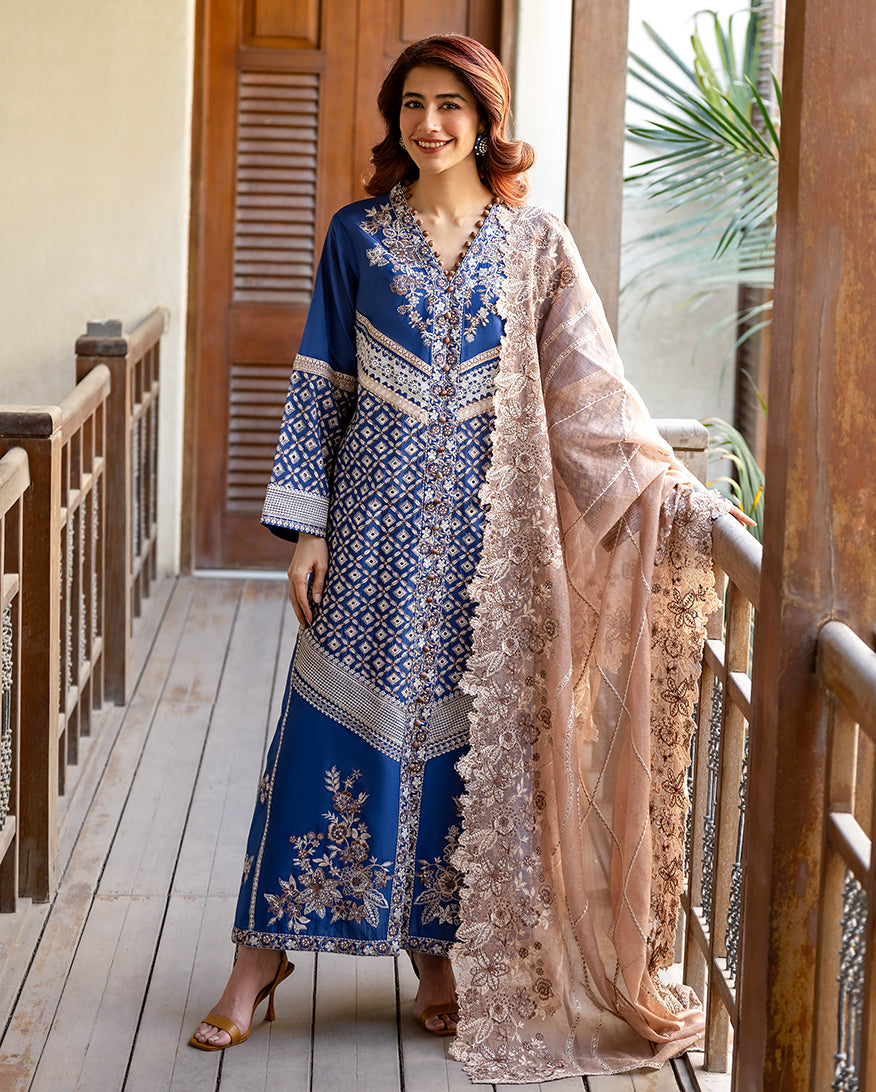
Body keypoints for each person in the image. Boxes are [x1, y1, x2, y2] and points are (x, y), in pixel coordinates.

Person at [190, 33, 753, 1080]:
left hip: (490, 549)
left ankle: (437, 956)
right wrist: (309, 529)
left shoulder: (537, 243)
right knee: (323, 726)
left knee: (470, 744)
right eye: (413, 103)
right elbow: (320, 386)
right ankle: (257, 961)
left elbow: (588, 392)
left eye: (451, 104)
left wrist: (672, 496)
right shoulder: (357, 235)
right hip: (369, 531)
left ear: (487, 119)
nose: (430, 123)